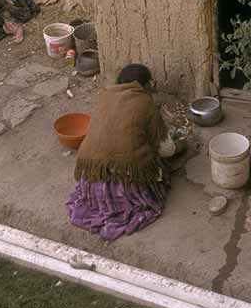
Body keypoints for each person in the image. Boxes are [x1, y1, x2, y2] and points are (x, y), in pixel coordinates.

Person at [67, 63, 174, 241]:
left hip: (92, 176)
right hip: (126, 177)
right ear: (144, 85)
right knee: (157, 165)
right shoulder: (146, 103)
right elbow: (167, 150)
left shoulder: (106, 96)